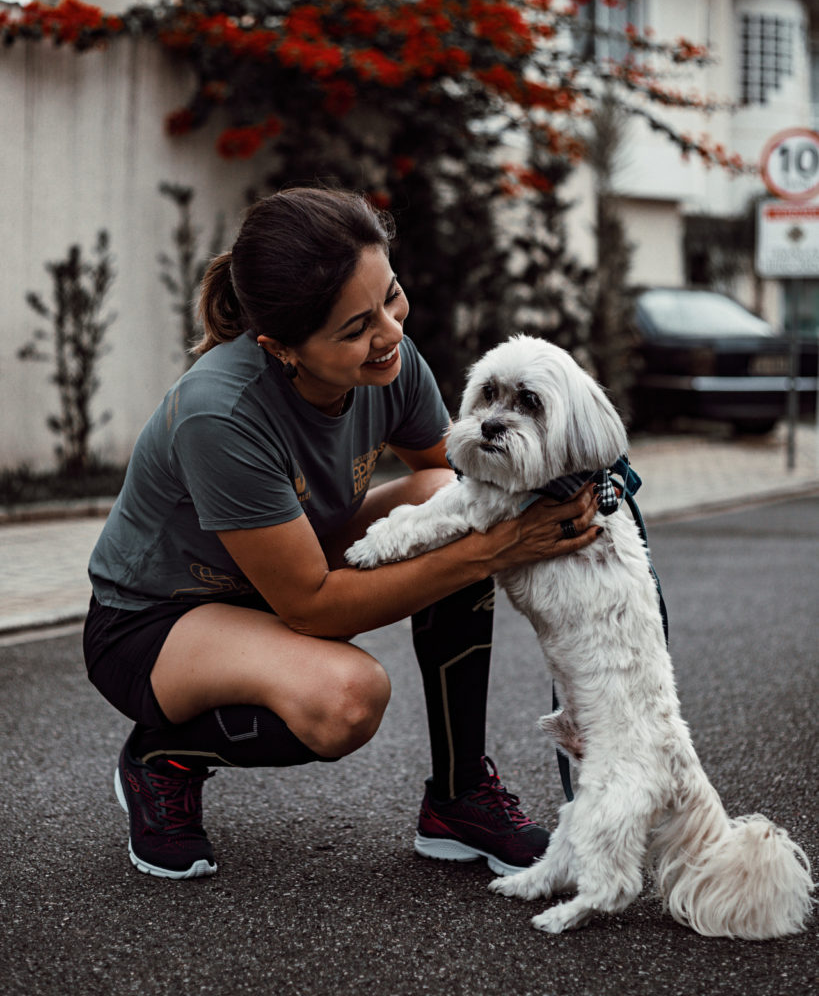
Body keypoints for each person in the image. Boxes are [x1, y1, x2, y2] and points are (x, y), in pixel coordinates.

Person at [83, 186, 602, 881]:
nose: (388, 332)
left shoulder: (388, 358)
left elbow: (449, 485)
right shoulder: (220, 411)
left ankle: (459, 798)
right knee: (345, 701)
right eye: (355, 327)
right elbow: (311, 606)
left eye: (390, 296)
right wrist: (494, 548)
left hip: (278, 576)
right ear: (281, 348)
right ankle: (161, 759)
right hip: (152, 623)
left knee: (451, 498)